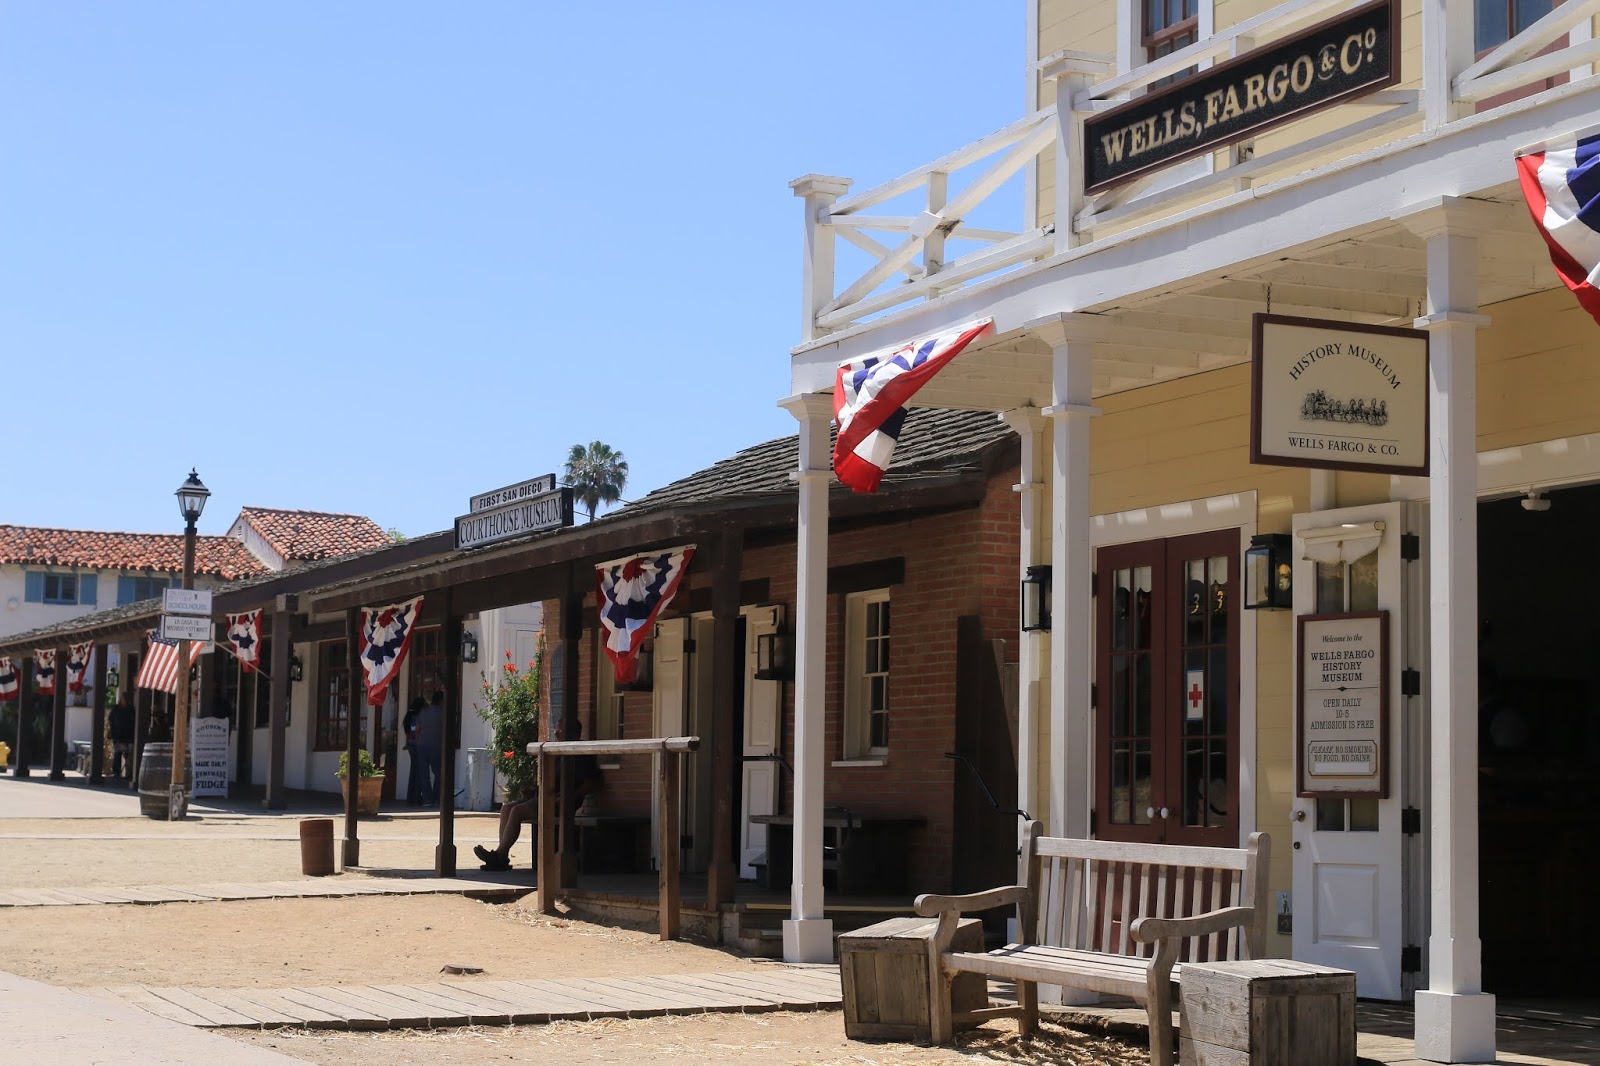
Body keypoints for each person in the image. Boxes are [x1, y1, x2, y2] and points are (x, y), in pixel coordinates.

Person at [474, 718, 602, 871]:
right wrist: (532, 791)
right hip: (543, 797)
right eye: (557, 729)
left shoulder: (581, 754)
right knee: (507, 808)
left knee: (517, 811)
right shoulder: (558, 751)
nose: (556, 733)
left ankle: (499, 856)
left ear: (572, 732)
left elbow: (591, 784)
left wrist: (570, 796)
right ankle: (502, 856)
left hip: (560, 802)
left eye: (560, 730)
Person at [415, 691, 444, 806]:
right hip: (436, 746)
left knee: (424, 773)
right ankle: (436, 798)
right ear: (441, 701)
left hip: (422, 745)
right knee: (438, 773)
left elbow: (417, 729)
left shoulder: (423, 712)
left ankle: (427, 799)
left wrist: (418, 743)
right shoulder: (442, 713)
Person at [402, 696, 425, 806]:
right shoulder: (418, 717)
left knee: (414, 772)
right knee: (419, 772)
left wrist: (407, 743)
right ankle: (416, 797)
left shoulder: (408, 716)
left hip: (411, 746)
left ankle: (410, 797)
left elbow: (407, 732)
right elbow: (417, 732)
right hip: (417, 746)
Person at [109, 693, 135, 780]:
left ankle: (129, 773)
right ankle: (116, 772)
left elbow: (133, 722)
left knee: (129, 756)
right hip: (118, 736)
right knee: (117, 754)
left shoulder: (131, 710)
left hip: (129, 736)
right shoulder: (116, 710)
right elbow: (111, 720)